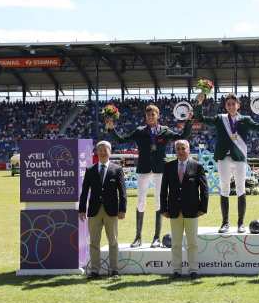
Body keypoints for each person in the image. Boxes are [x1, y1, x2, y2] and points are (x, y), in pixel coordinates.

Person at [106, 104, 192, 248]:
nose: (150, 117)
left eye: (153, 114)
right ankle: (138, 237)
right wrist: (110, 128)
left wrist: (189, 121)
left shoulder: (164, 131)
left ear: (158, 115)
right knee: (141, 202)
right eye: (148, 115)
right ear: (145, 117)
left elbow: (182, 136)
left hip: (160, 169)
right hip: (144, 168)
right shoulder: (140, 131)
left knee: (159, 202)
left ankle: (156, 238)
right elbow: (121, 140)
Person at [194, 93, 259, 233]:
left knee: (241, 189)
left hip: (239, 157)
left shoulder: (245, 119)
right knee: (224, 189)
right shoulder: (220, 118)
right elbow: (200, 118)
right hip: (223, 158)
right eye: (228, 104)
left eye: (233, 104)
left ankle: (241, 224)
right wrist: (199, 104)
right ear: (225, 106)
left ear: (238, 105)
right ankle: (225, 223)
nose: (231, 106)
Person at [160, 140, 208, 280]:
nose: (180, 151)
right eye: (178, 149)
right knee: (175, 243)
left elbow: (204, 189)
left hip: (192, 210)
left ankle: (193, 269)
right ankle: (176, 270)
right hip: (173, 210)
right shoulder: (169, 166)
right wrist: (164, 208)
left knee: (192, 243)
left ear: (188, 149)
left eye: (183, 148)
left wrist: (203, 208)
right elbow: (163, 190)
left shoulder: (197, 166)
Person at [79, 141, 127, 279]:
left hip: (112, 211)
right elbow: (84, 192)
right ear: (96, 152)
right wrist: (82, 209)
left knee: (113, 241)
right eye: (99, 150)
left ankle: (114, 270)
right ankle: (95, 270)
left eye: (105, 150)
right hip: (94, 211)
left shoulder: (117, 169)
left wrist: (122, 209)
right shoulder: (90, 170)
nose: (102, 152)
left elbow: (122, 192)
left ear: (110, 152)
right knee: (94, 242)